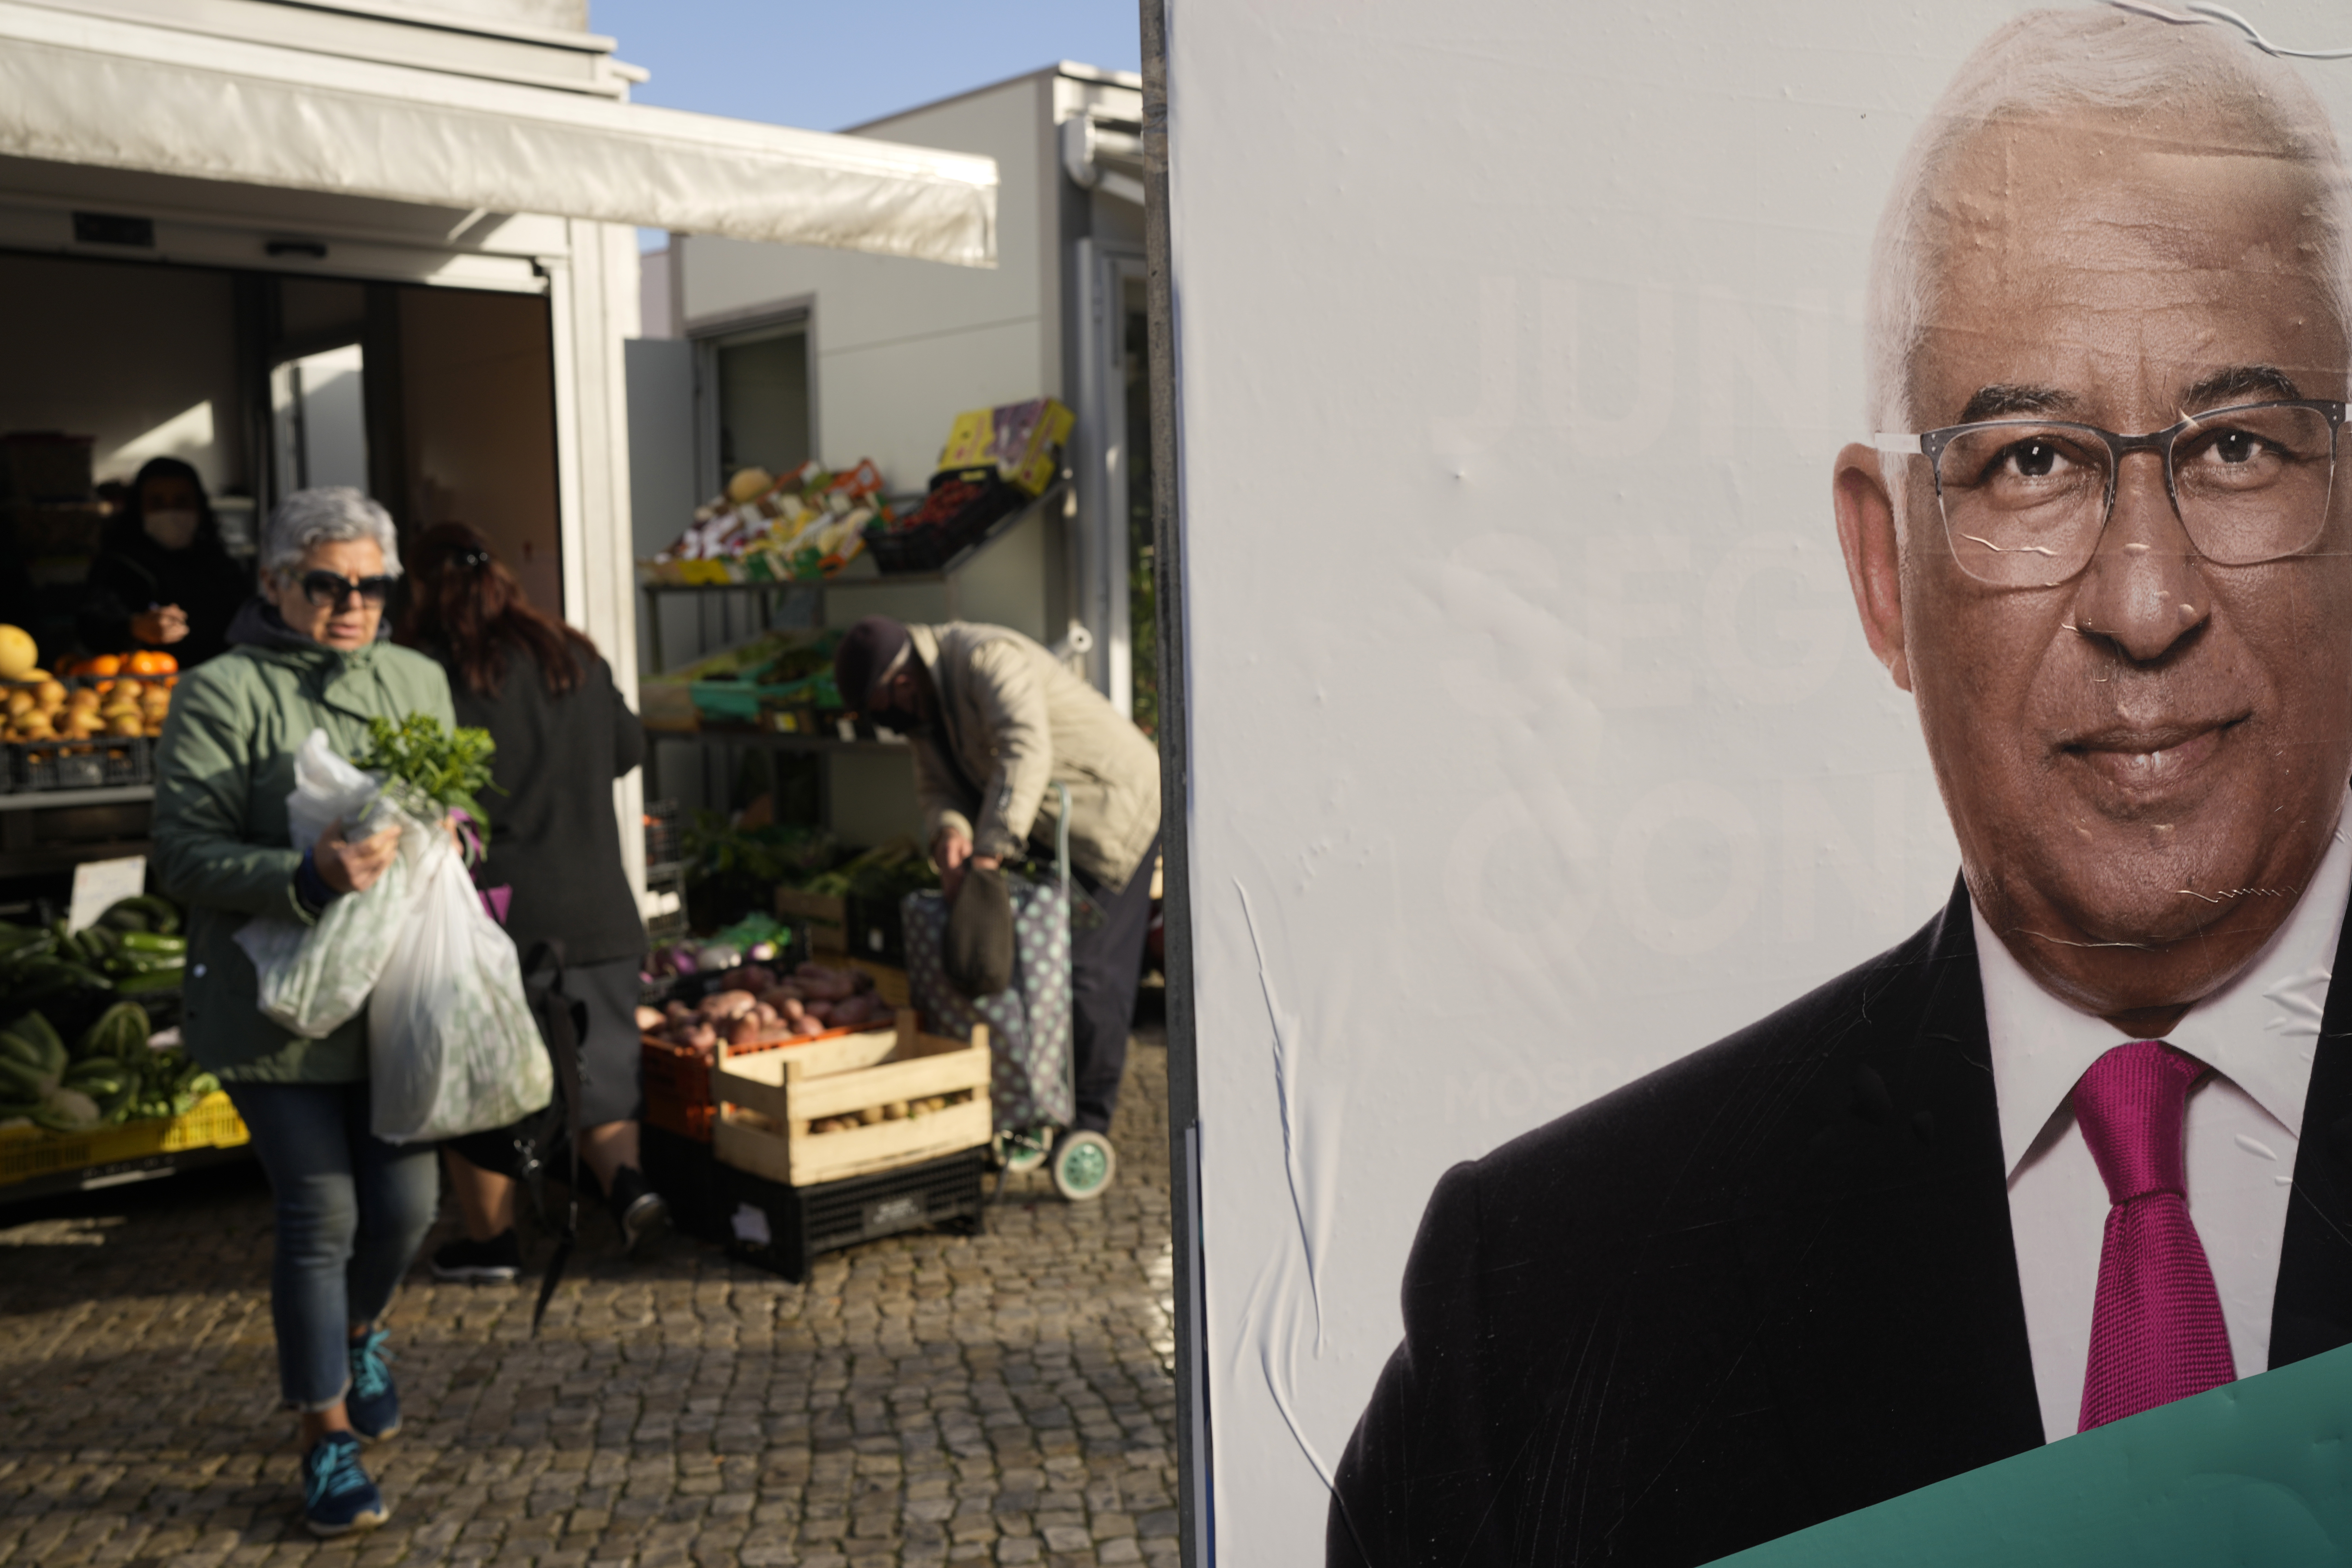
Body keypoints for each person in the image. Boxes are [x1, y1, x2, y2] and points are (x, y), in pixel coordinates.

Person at [1331, 12, 2352, 1566]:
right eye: (2030, 460)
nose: (2145, 598)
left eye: (2235, 446)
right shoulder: (1540, 1315)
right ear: (1886, 571)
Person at [152, 486, 452, 1540]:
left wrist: (455, 839)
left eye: (374, 585)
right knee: (318, 1212)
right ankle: (325, 1434)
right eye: (329, 584)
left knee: (409, 1208)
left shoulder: (418, 677)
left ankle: (360, 1330)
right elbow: (181, 854)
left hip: (393, 994)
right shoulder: (220, 692)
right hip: (268, 1003)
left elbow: (450, 812)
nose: (355, 604)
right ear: (275, 583)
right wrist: (309, 869)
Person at [393, 523, 666, 1278]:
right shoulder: (570, 654)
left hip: (496, 916)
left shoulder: (429, 672)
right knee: (600, 1064)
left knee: (482, 1081)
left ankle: (494, 1245)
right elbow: (627, 751)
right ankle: (629, 1187)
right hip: (599, 906)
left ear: (421, 588)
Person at [832, 616, 1160, 1197]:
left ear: (901, 681)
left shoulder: (987, 659)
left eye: (877, 706)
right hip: (1043, 830)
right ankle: (1039, 1103)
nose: (883, 722)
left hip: (1114, 816)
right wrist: (950, 835)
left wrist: (987, 855)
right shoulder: (921, 714)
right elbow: (937, 790)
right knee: (1033, 974)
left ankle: (1087, 1122)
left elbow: (1024, 752)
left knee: (1089, 974)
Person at [79, 456, 252, 667]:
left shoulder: (220, 563)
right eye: (157, 502)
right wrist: (135, 627)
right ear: (139, 508)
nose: (170, 512)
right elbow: (91, 626)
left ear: (199, 506)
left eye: (181, 502)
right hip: (151, 685)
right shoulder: (120, 565)